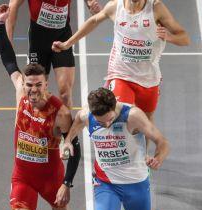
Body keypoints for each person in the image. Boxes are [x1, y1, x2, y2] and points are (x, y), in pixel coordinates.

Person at [0, 4, 82, 210]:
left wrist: (66, 184)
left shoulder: (60, 112)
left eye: (37, 85)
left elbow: (77, 149)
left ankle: (57, 199)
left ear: (46, 83)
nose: (32, 90)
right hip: (23, 177)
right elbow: (8, 59)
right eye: (29, 85)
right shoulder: (20, 92)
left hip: (50, 177)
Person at [53, 0, 189, 151]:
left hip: (149, 79)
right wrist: (67, 44)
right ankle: (114, 161)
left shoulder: (156, 8)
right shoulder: (115, 6)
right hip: (120, 75)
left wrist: (170, 37)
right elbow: (93, 20)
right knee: (117, 117)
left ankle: (141, 159)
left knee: (145, 121)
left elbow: (184, 38)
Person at [6, 0, 100, 109]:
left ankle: (65, 125)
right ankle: (39, 125)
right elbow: (13, 4)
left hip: (62, 37)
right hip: (38, 40)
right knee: (36, 93)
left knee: (65, 95)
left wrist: (90, 3)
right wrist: (8, 42)